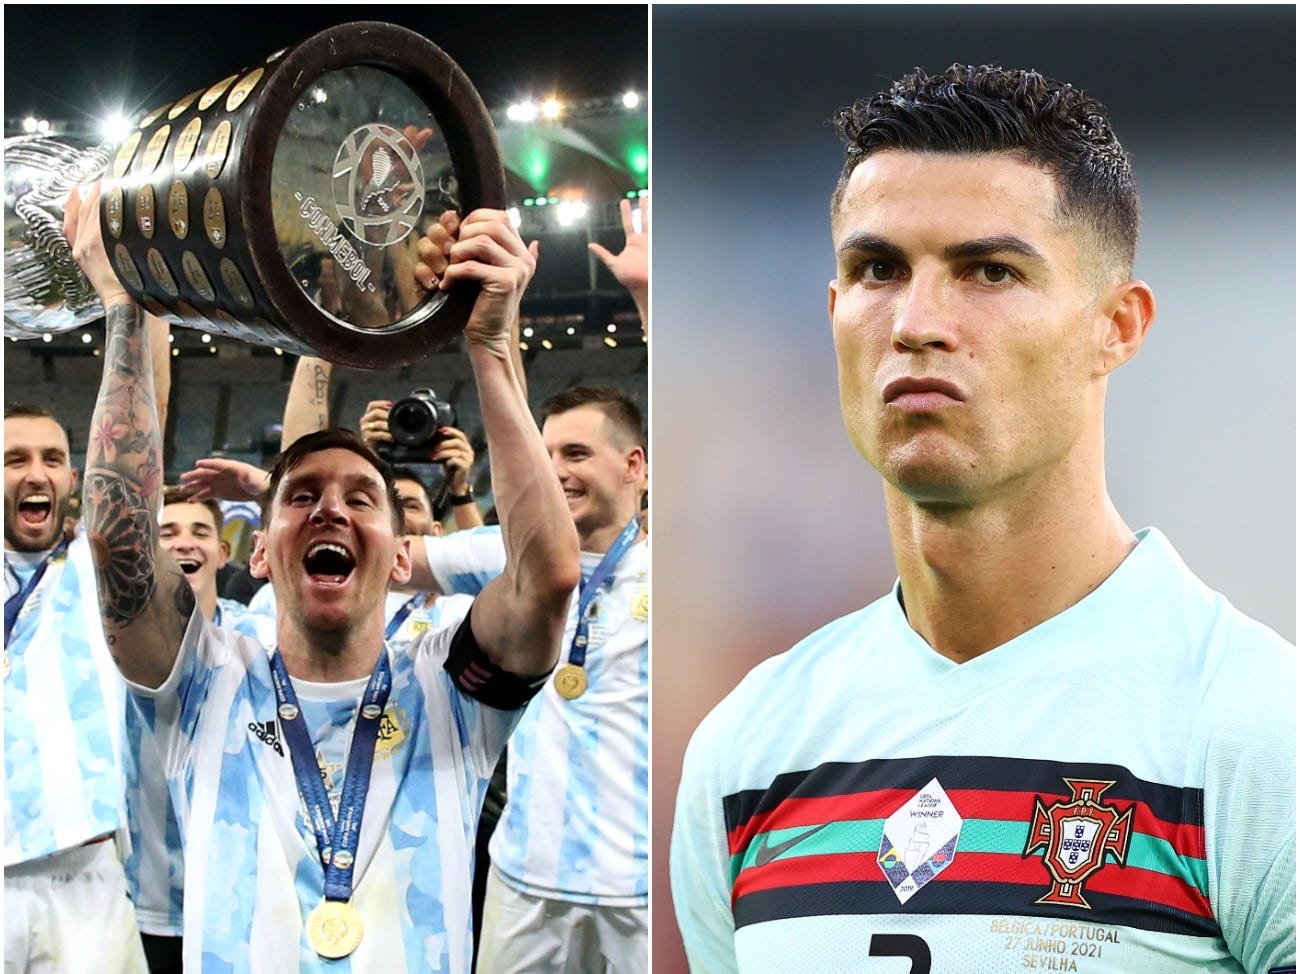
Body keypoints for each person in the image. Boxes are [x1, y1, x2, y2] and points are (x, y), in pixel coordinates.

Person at [670, 64, 1295, 974]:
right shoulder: (749, 751)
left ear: (1117, 327)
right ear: (834, 310)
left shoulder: (1255, 733)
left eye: (989, 271)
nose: (918, 321)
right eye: (877, 269)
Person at [67, 177, 580, 974]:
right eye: (300, 496)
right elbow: (121, 543)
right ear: (261, 554)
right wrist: (128, 310)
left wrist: (491, 347)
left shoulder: (451, 687)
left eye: (360, 497)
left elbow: (547, 575)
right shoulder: (206, 678)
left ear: (401, 551)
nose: (331, 511)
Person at [411, 383, 649, 974]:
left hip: (645, 888)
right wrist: (273, 493)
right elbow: (387, 558)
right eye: (545, 456)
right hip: (524, 881)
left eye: (575, 454)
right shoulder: (506, 554)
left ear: (634, 465)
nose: (555, 472)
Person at [125, 486, 275, 973]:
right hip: (138, 897)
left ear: (223, 552)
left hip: (238, 901)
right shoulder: (113, 646)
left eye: (200, 532)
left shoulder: (258, 638)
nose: (184, 543)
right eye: (166, 533)